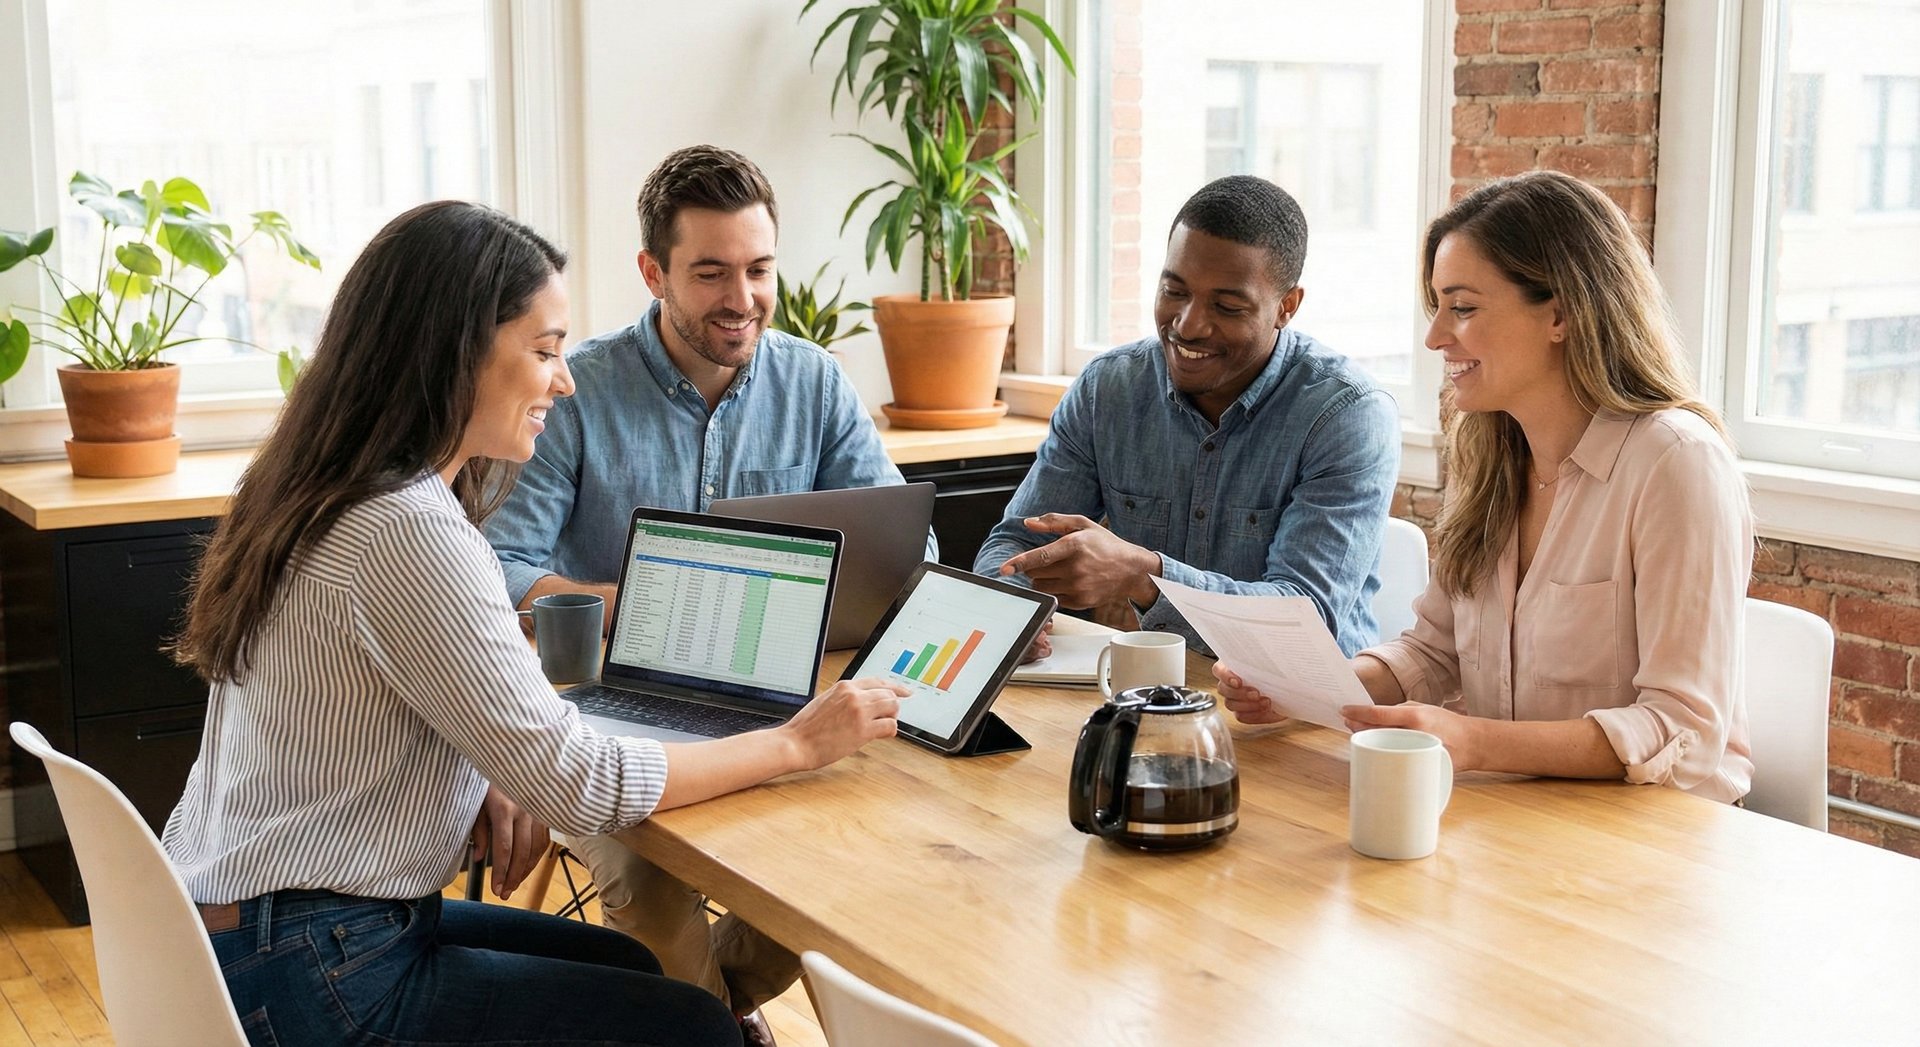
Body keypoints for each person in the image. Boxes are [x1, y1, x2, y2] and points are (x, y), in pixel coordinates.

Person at [162, 200, 908, 1047]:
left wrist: (483, 766)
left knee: (641, 977)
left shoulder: (329, 485)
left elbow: (396, 698)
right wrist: (798, 744)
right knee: (690, 1027)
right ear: (455, 354)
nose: (565, 378)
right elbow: (578, 782)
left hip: (253, 924)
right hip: (318, 963)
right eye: (545, 351)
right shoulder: (405, 525)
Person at [481, 145, 907, 1041]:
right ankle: (706, 1024)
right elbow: (504, 568)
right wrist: (648, 604)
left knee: (867, 841)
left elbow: (906, 552)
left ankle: (706, 1012)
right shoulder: (576, 388)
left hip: (782, 690)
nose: (741, 298)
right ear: (653, 272)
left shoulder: (815, 383)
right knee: (646, 879)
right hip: (607, 704)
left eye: (758, 270)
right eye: (710, 272)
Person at [1216, 171, 1754, 802]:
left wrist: (1473, 741)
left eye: (1463, 308)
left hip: (1660, 835)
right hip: (1516, 811)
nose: (1435, 336)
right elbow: (1434, 653)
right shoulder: (1491, 454)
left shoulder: (1678, 464)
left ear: (1560, 313)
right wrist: (1309, 689)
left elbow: (1682, 732)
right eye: (1437, 307)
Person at [973, 175, 1400, 658]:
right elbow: (1015, 541)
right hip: (1160, 689)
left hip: (1305, 710)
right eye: (1175, 291)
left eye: (1227, 305)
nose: (1189, 325)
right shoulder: (1107, 390)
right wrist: (1010, 609)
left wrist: (1143, 575)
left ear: (1286, 307)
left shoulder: (1346, 415)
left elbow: (1303, 620)